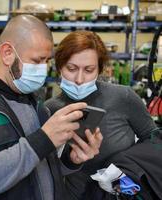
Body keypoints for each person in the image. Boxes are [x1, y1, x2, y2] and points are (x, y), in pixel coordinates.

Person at [0, 15, 103, 200]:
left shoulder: (36, 105)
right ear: (8, 53)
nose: (43, 69)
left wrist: (70, 160)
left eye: (46, 61)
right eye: (37, 60)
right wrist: (42, 139)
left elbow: (39, 169)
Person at [45, 30, 162, 200]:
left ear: (99, 70)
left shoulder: (123, 97)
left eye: (89, 70)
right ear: (59, 67)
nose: (79, 79)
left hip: (121, 194)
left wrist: (127, 168)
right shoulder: (50, 110)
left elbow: (153, 141)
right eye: (71, 68)